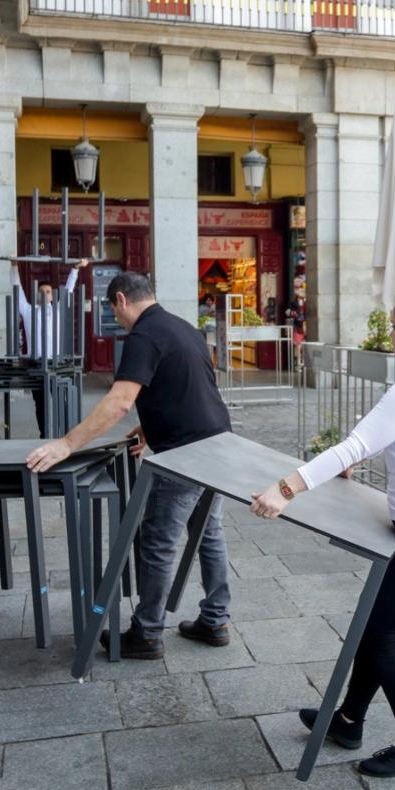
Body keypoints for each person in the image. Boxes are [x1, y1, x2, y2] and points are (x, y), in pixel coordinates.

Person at [249, 286, 395, 779]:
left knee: (383, 634)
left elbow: (355, 443)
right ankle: (350, 720)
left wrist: (286, 488)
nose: (391, 333)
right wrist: (355, 461)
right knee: (374, 625)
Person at [26, 272, 233, 660]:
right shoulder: (182, 327)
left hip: (186, 453)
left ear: (120, 300)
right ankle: (216, 619)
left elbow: (119, 401)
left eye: (113, 310)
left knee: (158, 541)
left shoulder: (143, 335)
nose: (116, 318)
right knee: (209, 533)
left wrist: (66, 444)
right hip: (218, 442)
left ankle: (147, 632)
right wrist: (148, 427)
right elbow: (187, 387)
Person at [11, 257, 90, 436]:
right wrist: (14, 267)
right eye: (41, 292)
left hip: (56, 364)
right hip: (36, 364)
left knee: (61, 400)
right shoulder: (29, 311)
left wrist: (75, 270)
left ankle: (64, 435)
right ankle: (44, 435)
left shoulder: (59, 311)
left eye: (47, 291)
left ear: (52, 295)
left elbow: (69, 290)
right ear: (37, 295)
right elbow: (17, 291)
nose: (45, 294)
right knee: (40, 403)